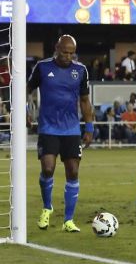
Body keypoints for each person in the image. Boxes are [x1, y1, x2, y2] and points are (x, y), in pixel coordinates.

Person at [27, 35, 93, 232]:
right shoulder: (43, 67)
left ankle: (68, 220)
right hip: (48, 128)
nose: (68, 56)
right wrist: (26, 110)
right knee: (48, 168)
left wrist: (88, 127)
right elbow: (27, 89)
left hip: (71, 129)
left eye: (72, 53)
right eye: (65, 52)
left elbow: (84, 100)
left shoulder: (80, 70)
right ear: (57, 48)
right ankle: (47, 208)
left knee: (73, 171)